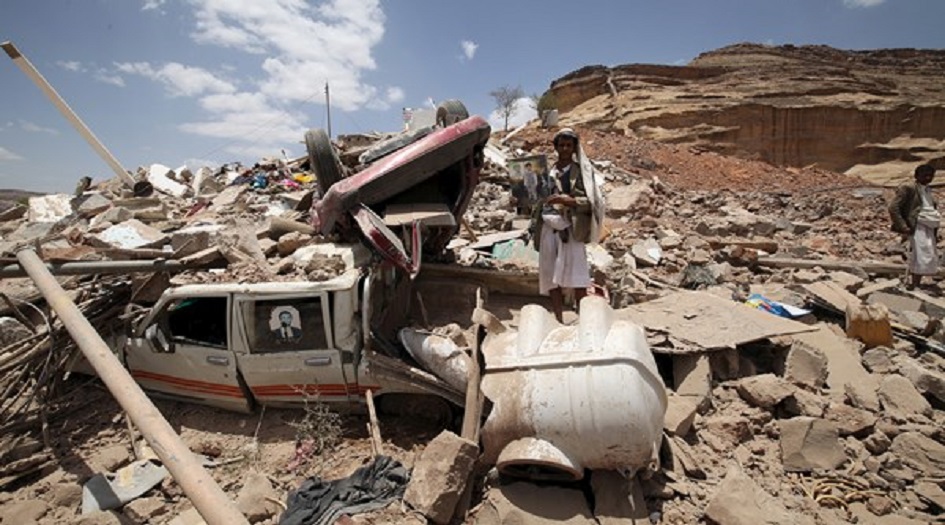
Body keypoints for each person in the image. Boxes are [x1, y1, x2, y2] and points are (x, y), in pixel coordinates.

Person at [534, 128, 605, 322]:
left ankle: (584, 320)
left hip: (572, 229)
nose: (565, 149)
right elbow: (536, 199)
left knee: (578, 276)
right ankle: (558, 318)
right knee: (550, 274)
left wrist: (569, 201)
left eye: (568, 145)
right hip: (549, 228)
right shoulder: (546, 172)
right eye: (561, 145)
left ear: (574, 148)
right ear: (555, 148)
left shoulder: (582, 173)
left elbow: (592, 201)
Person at [889, 164, 941, 290]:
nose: (928, 178)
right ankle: (914, 284)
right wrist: (903, 226)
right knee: (919, 254)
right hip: (916, 225)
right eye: (925, 175)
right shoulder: (908, 187)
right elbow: (893, 207)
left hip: (928, 226)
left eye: (931, 175)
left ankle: (917, 283)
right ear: (917, 176)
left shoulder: (927, 189)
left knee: (927, 253)